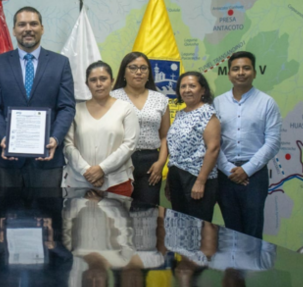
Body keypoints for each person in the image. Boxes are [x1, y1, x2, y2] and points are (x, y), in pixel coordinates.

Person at [0, 6, 75, 188]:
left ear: (42, 28)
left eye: (33, 24)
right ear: (14, 30)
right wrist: (3, 137)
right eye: (22, 24)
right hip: (7, 159)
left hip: (47, 157)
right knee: (6, 213)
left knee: (48, 213)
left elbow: (67, 106)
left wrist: (55, 138)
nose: (28, 28)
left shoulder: (60, 63)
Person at [215, 51, 281, 239]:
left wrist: (247, 169)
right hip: (225, 174)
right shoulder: (218, 102)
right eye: (236, 69)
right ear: (229, 74)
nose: (241, 72)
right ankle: (234, 269)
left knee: (252, 230)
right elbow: (213, 142)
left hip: (254, 174)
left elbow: (273, 142)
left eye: (246, 68)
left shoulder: (267, 103)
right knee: (231, 229)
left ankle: (252, 268)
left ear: (254, 72)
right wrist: (228, 169)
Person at [63, 61, 139, 196]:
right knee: (80, 217)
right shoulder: (74, 110)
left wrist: (102, 169)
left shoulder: (125, 108)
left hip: (116, 182)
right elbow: (68, 146)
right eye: (93, 80)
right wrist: (87, 171)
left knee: (117, 218)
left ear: (112, 81)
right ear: (87, 84)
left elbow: (129, 145)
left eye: (103, 79)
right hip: (79, 181)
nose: (98, 84)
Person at [111, 52, 170, 204]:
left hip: (150, 163)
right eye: (133, 68)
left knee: (147, 213)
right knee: (117, 212)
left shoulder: (160, 99)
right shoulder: (111, 98)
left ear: (149, 73)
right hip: (120, 161)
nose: (138, 72)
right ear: (124, 71)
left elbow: (165, 136)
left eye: (143, 68)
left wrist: (160, 163)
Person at [166, 72, 220, 222]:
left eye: (192, 86)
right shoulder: (180, 114)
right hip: (177, 177)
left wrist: (201, 181)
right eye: (183, 86)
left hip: (197, 178)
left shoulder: (208, 113)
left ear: (203, 90)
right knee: (180, 225)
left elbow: (213, 149)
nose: (187, 90)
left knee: (198, 228)